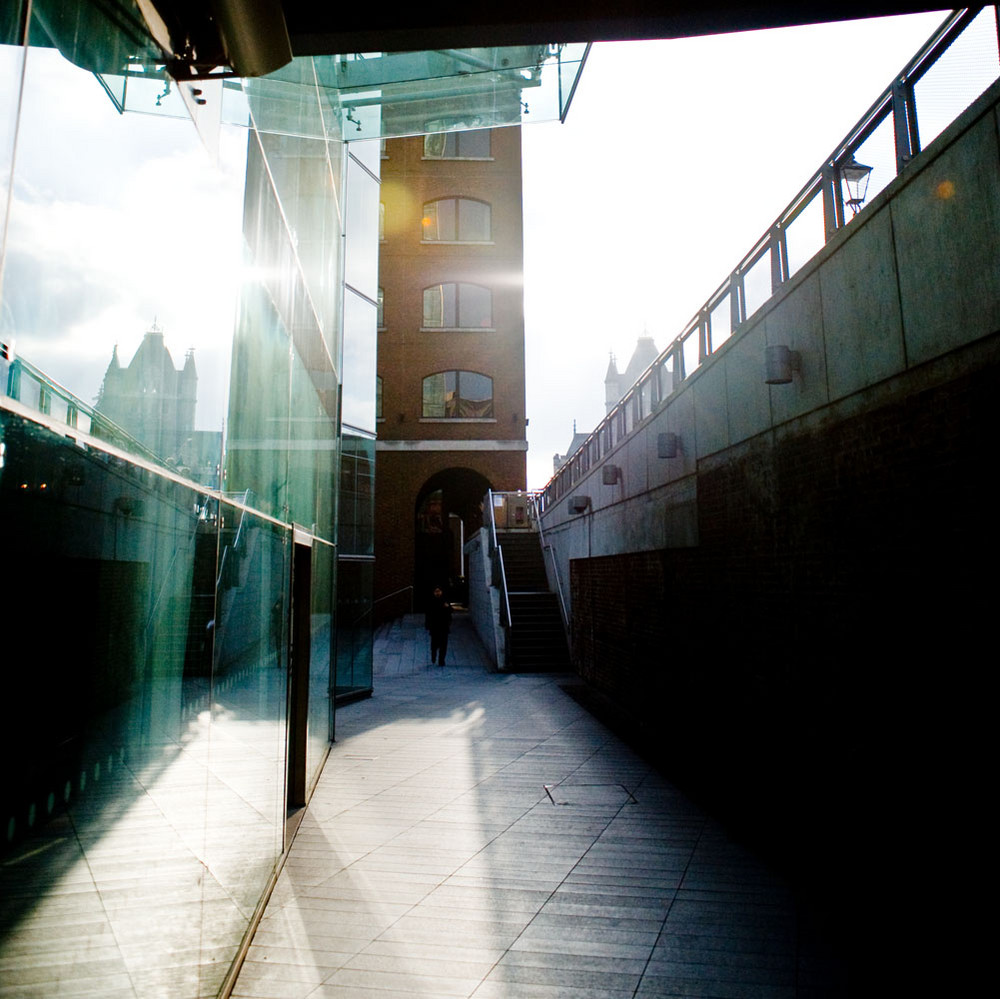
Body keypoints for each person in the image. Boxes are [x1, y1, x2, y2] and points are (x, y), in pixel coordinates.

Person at [424, 585, 453, 666]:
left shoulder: (445, 600)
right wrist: (427, 625)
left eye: (439, 591)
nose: (438, 593)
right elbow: (428, 614)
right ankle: (434, 656)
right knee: (434, 644)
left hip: (444, 626)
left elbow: (451, 610)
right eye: (436, 591)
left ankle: (441, 660)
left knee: (443, 645)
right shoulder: (431, 601)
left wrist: (447, 607)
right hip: (435, 626)